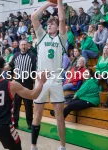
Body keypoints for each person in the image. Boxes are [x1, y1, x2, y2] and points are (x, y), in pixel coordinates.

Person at [0, 56, 46, 150]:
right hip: (5, 127)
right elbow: (33, 95)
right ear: (2, 69)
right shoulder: (12, 85)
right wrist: (41, 82)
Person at [31, 0, 67, 150]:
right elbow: (34, 17)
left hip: (56, 78)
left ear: (57, 27)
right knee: (37, 114)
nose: (49, 25)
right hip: (41, 78)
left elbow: (62, 19)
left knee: (59, 114)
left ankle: (62, 146)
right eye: (48, 24)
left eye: (52, 24)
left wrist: (58, 2)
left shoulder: (62, 38)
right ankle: (33, 145)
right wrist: (47, 3)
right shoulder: (41, 36)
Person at [5, 40, 36, 130]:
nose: (23, 46)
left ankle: (30, 123)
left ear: (27, 46)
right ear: (19, 46)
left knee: (28, 105)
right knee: (16, 105)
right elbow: (10, 66)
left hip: (27, 83)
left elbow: (34, 70)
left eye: (25, 45)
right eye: (22, 44)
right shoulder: (16, 55)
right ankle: (15, 122)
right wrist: (2, 69)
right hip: (17, 83)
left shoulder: (32, 56)